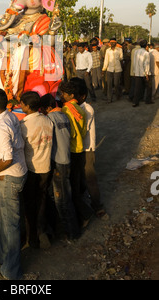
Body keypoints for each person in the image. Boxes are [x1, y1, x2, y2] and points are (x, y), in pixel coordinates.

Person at [0, 88, 27, 280]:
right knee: (3, 216)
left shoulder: (1, 125)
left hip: (8, 176)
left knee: (10, 224)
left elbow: (7, 158)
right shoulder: (8, 117)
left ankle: (10, 270)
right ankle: (0, 252)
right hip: (14, 173)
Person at [40, 93, 80, 240]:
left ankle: (71, 232)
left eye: (43, 109)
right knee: (66, 196)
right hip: (66, 158)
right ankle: (72, 229)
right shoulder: (64, 116)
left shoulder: (49, 119)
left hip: (58, 162)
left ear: (48, 108)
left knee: (62, 200)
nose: (42, 112)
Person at [19, 91, 53, 249]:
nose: (20, 106)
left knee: (29, 205)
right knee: (42, 200)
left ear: (26, 106)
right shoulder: (47, 120)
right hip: (45, 166)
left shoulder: (24, 125)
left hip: (32, 169)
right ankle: (42, 231)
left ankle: (31, 238)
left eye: (21, 103)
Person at [59, 81, 93, 229]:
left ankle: (85, 214)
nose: (61, 96)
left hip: (72, 150)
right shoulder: (80, 108)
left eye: (63, 94)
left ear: (70, 95)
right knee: (77, 182)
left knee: (72, 187)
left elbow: (70, 134)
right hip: (80, 149)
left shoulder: (66, 110)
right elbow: (83, 131)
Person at [71, 77, 106, 218]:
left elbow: (80, 129)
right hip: (79, 147)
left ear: (82, 96)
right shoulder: (78, 107)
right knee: (80, 176)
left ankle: (97, 206)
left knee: (90, 177)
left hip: (87, 148)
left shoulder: (87, 109)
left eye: (74, 96)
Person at [102, 38, 123, 103]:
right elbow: (106, 60)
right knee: (109, 84)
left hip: (117, 69)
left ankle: (118, 95)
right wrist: (103, 69)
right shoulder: (108, 50)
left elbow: (121, 58)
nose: (112, 44)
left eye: (114, 42)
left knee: (116, 84)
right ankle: (109, 98)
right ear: (109, 43)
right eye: (111, 42)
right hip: (109, 69)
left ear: (116, 43)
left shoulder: (119, 50)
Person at [132, 39, 151, 107]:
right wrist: (147, 73)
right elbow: (146, 64)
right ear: (146, 45)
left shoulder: (136, 51)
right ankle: (148, 100)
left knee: (137, 87)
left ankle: (135, 102)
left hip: (137, 72)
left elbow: (134, 62)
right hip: (143, 73)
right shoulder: (146, 53)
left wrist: (134, 71)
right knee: (148, 86)